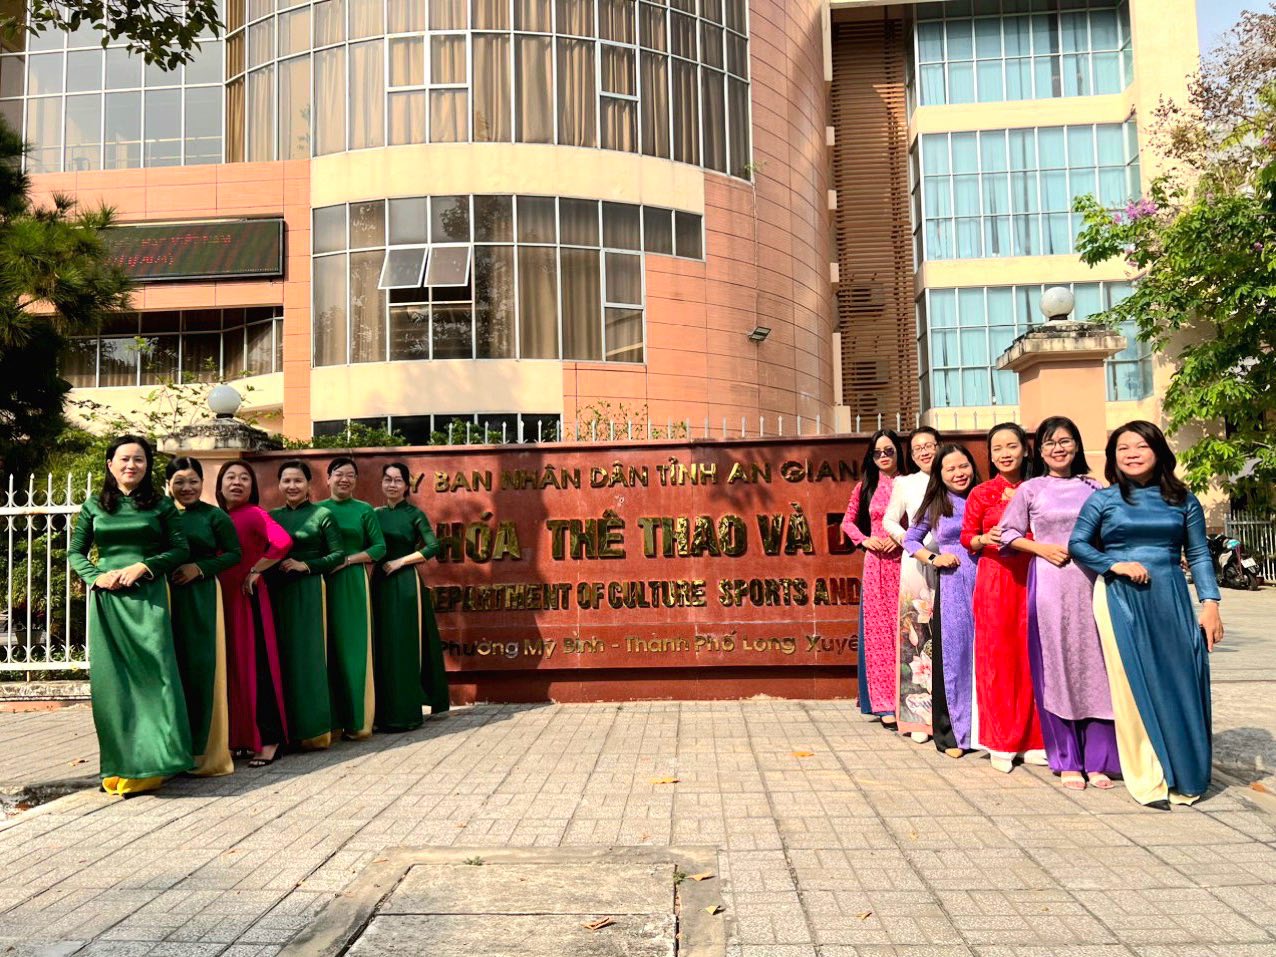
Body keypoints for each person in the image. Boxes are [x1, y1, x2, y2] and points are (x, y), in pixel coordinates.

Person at [1070, 421, 1224, 809]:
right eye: (1123, 448)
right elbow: (1078, 544)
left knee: (1181, 678)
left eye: (1141, 446)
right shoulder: (1103, 500)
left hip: (1171, 596)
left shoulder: (1183, 500)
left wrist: (1210, 603)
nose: (1132, 454)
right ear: (1113, 458)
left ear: (1158, 451)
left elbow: (1199, 553)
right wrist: (1113, 564)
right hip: (1120, 598)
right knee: (1132, 683)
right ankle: (1149, 777)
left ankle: (1184, 773)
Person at [69, 435, 192, 797]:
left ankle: (155, 763)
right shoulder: (94, 506)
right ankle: (121, 763)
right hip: (108, 600)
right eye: (124, 459)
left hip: (148, 598)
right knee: (114, 684)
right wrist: (96, 577)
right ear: (110, 464)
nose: (131, 465)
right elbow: (76, 553)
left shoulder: (161, 506)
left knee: (155, 675)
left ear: (147, 466)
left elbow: (180, 549)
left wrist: (144, 566)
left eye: (139, 459)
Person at [1001, 418, 1118, 790]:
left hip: (1091, 584)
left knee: (1096, 665)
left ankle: (1099, 759)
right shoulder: (1031, 489)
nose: (1058, 448)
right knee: (1058, 665)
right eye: (1050, 442)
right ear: (1040, 450)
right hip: (1050, 584)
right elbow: (1007, 534)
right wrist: (1041, 548)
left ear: (1077, 445)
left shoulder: (1094, 488)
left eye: (1065, 441)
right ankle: (1067, 758)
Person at [960, 423, 1045, 773]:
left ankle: (1034, 740)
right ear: (990, 455)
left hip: (1035, 577)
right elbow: (967, 537)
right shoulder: (981, 493)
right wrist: (984, 539)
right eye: (997, 448)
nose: (1005, 453)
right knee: (998, 658)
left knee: (1032, 656)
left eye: (1012, 446)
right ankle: (1000, 740)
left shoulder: (1039, 488)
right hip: (995, 580)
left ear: (1025, 449)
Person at [165, 457, 240, 777]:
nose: (187, 488)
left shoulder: (214, 516)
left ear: (202, 483)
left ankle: (202, 752)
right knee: (168, 670)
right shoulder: (159, 514)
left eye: (193, 481)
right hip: (164, 597)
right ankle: (168, 752)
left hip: (201, 598)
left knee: (200, 669)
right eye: (179, 481)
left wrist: (200, 568)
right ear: (168, 484)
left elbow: (234, 554)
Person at [903, 444, 980, 757]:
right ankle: (954, 735)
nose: (959, 473)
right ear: (940, 474)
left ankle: (988, 733)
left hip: (989, 582)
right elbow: (910, 539)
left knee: (987, 655)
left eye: (964, 466)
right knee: (955, 655)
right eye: (951, 468)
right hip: (954, 585)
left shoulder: (983, 496)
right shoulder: (937, 502)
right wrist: (935, 558)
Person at [217, 461, 291, 767]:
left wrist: (255, 570)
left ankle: (270, 740)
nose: (237, 483)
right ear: (220, 484)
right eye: (230, 477)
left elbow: (283, 542)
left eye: (244, 478)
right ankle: (239, 738)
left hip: (247, 600)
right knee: (231, 670)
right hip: (221, 601)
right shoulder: (217, 517)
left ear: (253, 486)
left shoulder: (255, 514)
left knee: (257, 667)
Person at [269, 460, 345, 749]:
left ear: (308, 484)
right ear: (279, 484)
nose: (292, 486)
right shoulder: (271, 517)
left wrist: (307, 565)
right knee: (282, 658)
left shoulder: (322, 515)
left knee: (308, 658)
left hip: (309, 591)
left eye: (298, 481)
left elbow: (338, 555)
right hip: (277, 593)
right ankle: (284, 730)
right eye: (286, 481)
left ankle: (314, 729)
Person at [373, 463, 449, 731]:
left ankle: (407, 713)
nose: (392, 485)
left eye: (398, 480)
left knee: (404, 646)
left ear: (406, 486)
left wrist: (400, 561)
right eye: (387, 479)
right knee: (380, 645)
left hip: (405, 584)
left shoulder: (414, 514)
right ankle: (379, 714)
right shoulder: (373, 515)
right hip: (378, 583)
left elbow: (433, 546)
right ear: (382, 483)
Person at [841, 430, 906, 726]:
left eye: (889, 450)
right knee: (879, 633)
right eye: (878, 452)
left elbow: (924, 521)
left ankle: (910, 700)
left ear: (898, 452)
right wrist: (866, 540)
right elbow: (847, 522)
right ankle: (884, 703)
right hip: (876, 565)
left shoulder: (910, 483)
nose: (883, 456)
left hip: (906, 562)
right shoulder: (865, 486)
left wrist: (903, 539)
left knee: (906, 629)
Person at [320, 457, 386, 740]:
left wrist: (346, 560)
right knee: (326, 649)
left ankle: (358, 721)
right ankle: (330, 722)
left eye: (350, 475)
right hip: (321, 583)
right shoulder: (318, 510)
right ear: (327, 479)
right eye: (338, 474)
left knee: (353, 649)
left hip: (352, 583)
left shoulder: (364, 510)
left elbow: (379, 548)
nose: (344, 479)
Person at [883, 426, 942, 742]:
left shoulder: (953, 476)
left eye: (929, 445)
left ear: (940, 446)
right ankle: (918, 718)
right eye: (918, 448)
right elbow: (889, 519)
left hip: (952, 563)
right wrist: (909, 539)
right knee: (916, 638)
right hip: (916, 565)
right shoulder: (904, 483)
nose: (924, 451)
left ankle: (950, 716)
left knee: (948, 635)